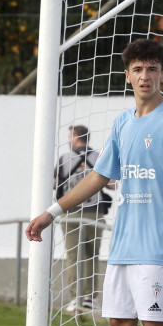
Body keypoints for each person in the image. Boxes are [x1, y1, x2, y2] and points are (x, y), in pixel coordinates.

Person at [27, 38, 163, 326]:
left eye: (152, 69)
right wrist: (50, 212)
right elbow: (97, 176)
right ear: (127, 76)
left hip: (161, 246)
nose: (145, 76)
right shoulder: (123, 123)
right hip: (123, 247)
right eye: (138, 70)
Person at [55, 125, 113, 313]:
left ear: (76, 137)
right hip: (94, 212)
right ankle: (89, 298)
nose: (68, 139)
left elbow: (55, 183)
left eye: (69, 136)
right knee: (91, 255)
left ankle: (75, 298)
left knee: (73, 256)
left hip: (71, 213)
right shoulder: (99, 157)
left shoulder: (65, 158)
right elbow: (112, 185)